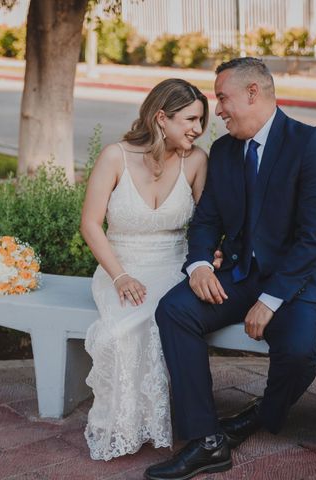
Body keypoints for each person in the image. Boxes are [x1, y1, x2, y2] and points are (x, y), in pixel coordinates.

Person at [144, 58, 316, 480]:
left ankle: (255, 417)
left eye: (222, 98)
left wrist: (271, 301)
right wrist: (198, 264)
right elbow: (207, 220)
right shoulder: (225, 150)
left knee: (299, 352)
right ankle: (206, 441)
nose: (219, 111)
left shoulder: (310, 144)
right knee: (174, 310)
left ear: (253, 93)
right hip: (238, 274)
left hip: (299, 280)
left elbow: (314, 239)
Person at [80, 79, 212, 461]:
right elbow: (91, 224)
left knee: (168, 317)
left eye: (201, 120)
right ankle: (124, 426)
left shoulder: (197, 160)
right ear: (160, 117)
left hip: (174, 267)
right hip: (121, 268)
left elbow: (206, 224)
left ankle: (171, 420)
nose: (198, 129)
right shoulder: (114, 157)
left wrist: (210, 257)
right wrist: (120, 276)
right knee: (122, 328)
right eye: (190, 119)